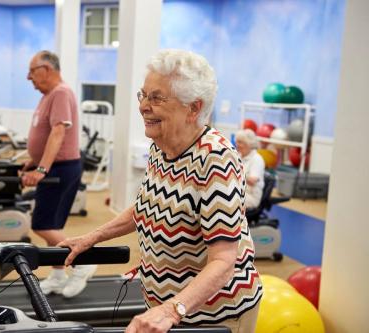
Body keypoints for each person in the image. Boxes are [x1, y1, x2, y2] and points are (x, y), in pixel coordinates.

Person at [58, 49, 263, 333]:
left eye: (156, 97)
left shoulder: (216, 158)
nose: (143, 106)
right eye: (143, 95)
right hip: (166, 307)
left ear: (193, 108)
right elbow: (146, 207)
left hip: (212, 316)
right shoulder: (161, 146)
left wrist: (172, 309)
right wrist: (92, 237)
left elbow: (224, 261)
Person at [21, 50, 97, 298]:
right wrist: (34, 160)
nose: (28, 77)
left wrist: (42, 169)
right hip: (55, 167)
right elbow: (43, 135)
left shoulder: (61, 93)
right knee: (51, 225)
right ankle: (56, 275)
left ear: (47, 69)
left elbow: (57, 133)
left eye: (32, 71)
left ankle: (83, 262)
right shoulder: (48, 95)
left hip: (61, 169)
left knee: (42, 225)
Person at [235, 129, 265, 209]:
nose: (237, 145)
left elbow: (252, 181)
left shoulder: (257, 159)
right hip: (238, 191)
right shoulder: (239, 156)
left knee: (228, 199)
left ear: (249, 144)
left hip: (250, 196)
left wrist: (235, 172)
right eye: (237, 142)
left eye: (240, 142)